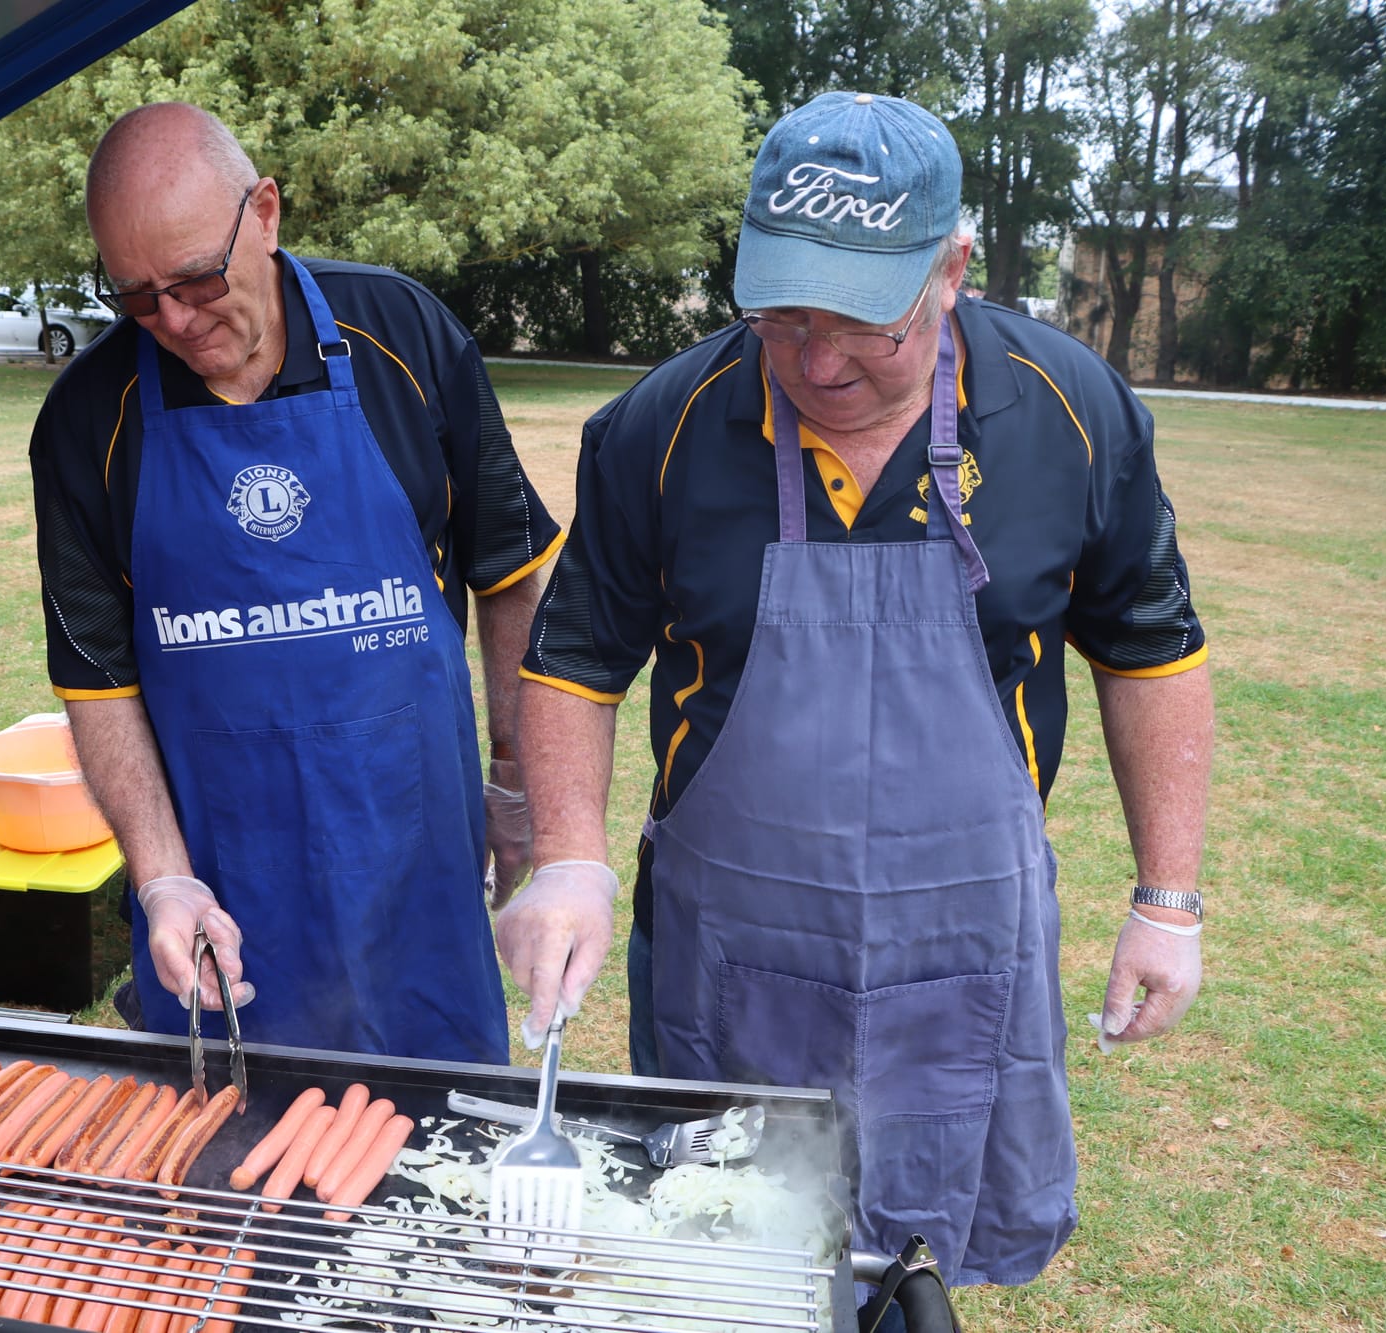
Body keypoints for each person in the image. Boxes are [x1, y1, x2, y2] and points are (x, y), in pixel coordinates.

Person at [497, 92, 1212, 1286]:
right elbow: (574, 657)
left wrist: (1167, 899)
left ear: (951, 267)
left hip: (963, 938)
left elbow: (1148, 648)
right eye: (779, 317)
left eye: (856, 319)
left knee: (913, 1256)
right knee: (719, 1254)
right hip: (731, 943)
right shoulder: (660, 427)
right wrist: (567, 854)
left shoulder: (1070, 413)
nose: (813, 360)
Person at [30, 103, 561, 1064]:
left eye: (196, 279)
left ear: (265, 213)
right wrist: (159, 880)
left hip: (418, 855)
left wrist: (518, 779)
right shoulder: (84, 421)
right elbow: (96, 685)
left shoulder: (407, 337)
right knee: (228, 1171)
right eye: (139, 299)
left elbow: (511, 577)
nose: (178, 321)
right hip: (223, 896)